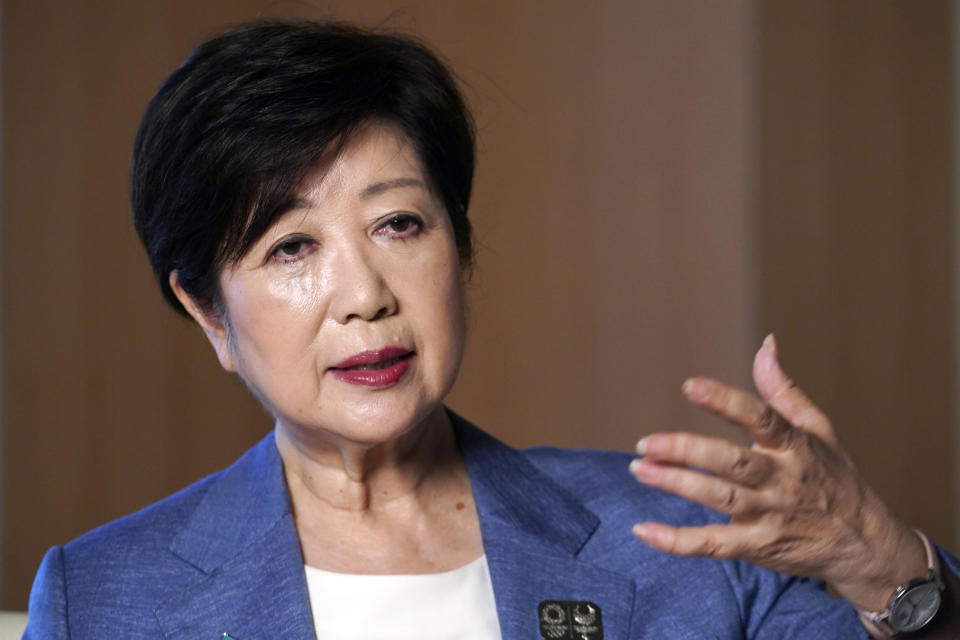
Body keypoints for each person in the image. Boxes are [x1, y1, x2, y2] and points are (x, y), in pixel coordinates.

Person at [23, 18, 960, 639]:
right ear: (209, 314)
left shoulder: (684, 539)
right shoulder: (102, 597)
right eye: (290, 247)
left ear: (458, 246)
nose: (365, 296)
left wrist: (881, 562)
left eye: (399, 224)